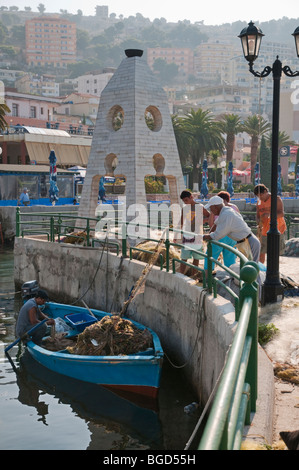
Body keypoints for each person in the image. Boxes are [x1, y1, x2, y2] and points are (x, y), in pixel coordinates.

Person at [203, 195, 261, 263]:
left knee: (251, 269)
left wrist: (202, 237)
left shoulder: (226, 214)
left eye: (211, 208)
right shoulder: (226, 211)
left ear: (215, 207)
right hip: (245, 241)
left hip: (249, 242)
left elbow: (217, 235)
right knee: (248, 267)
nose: (211, 211)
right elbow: (216, 223)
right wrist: (209, 234)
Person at [174, 190, 209, 275]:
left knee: (196, 258)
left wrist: (203, 221)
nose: (185, 202)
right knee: (184, 257)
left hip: (198, 235)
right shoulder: (185, 208)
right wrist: (176, 235)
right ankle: (181, 275)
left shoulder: (200, 206)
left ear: (191, 197)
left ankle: (194, 276)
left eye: (186, 200)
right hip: (187, 235)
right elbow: (181, 222)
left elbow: (209, 216)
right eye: (184, 201)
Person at [204, 191, 240, 272]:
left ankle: (207, 279)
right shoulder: (234, 207)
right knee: (230, 261)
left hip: (219, 235)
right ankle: (230, 280)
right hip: (232, 236)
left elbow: (211, 223)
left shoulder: (217, 210)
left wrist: (209, 235)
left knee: (210, 257)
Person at [254, 183, 287, 264]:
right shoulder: (259, 202)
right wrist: (258, 220)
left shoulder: (276, 199)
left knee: (274, 253)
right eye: (258, 196)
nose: (260, 197)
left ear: (265, 191)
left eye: (261, 195)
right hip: (264, 231)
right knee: (261, 253)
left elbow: (281, 213)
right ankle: (261, 270)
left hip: (277, 229)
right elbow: (257, 215)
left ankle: (273, 271)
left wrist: (269, 215)